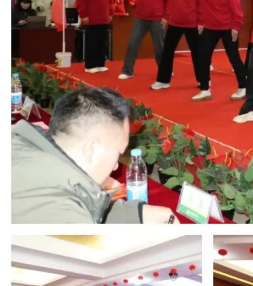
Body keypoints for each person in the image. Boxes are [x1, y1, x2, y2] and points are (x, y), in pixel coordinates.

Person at [12, 87, 178, 224]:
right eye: (118, 153)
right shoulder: (58, 209)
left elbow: (83, 203)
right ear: (92, 148)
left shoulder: (27, 150)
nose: (116, 166)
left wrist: (137, 214)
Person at [158, 0, 246, 101]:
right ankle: (205, 89)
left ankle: (243, 88)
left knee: (233, 57)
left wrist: (236, 26)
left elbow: (235, 6)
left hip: (227, 26)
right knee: (203, 57)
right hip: (210, 27)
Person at [133, 0, 200, 90]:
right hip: (175, 22)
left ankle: (203, 80)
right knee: (167, 52)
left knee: (197, 53)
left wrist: (201, 22)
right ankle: (163, 80)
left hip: (192, 23)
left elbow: (202, 3)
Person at [105, 0, 168, 79]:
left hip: (157, 18)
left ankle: (165, 70)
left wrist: (166, 16)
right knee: (132, 44)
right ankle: (127, 71)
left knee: (159, 47)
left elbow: (169, 0)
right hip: (141, 18)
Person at [75, 0, 112, 73]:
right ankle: (90, 66)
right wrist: (83, 15)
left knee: (102, 42)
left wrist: (110, 14)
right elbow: (81, 2)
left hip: (104, 19)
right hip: (91, 19)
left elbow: (110, 1)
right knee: (92, 43)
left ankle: (100, 64)